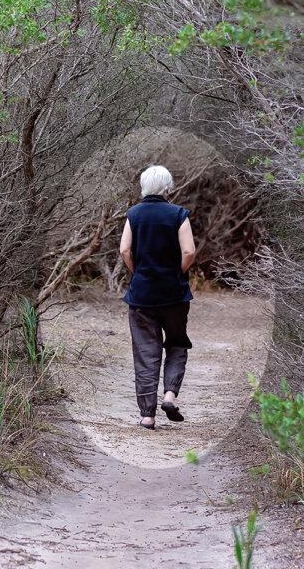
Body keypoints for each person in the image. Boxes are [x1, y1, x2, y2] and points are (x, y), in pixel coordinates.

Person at [119, 165, 197, 430]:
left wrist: (138, 272)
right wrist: (176, 274)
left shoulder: (133, 214)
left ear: (143, 186)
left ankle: (147, 416)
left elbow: (125, 250)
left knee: (146, 352)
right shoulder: (178, 214)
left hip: (142, 295)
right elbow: (189, 252)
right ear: (168, 186)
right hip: (174, 294)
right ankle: (169, 396)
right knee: (176, 344)